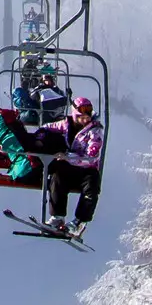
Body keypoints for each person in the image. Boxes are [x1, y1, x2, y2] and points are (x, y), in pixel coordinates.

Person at [44, 96, 103, 240]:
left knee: (92, 185)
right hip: (70, 169)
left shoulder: (95, 131)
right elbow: (47, 128)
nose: (86, 119)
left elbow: (92, 157)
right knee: (57, 175)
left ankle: (79, 222)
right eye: (82, 116)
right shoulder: (66, 125)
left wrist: (68, 157)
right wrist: (40, 137)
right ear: (75, 114)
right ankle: (57, 216)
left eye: (88, 116)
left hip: (87, 170)